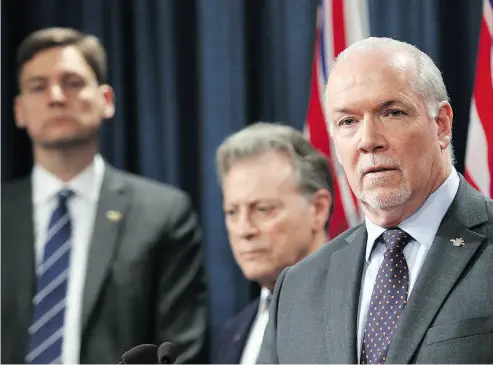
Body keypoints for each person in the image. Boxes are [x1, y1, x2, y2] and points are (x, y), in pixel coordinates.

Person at [257, 37, 493, 364]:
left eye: (392, 112)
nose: (368, 140)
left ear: (441, 125)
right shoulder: (297, 289)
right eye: (348, 122)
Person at [1, 27, 208, 364]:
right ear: (19, 111)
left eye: (72, 83)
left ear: (106, 100)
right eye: (38, 87)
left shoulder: (162, 214)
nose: (56, 96)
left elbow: (177, 350)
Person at [211, 122, 334, 364]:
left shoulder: (359, 310)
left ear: (318, 209)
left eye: (263, 209)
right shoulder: (232, 334)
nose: (244, 230)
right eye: (232, 212)